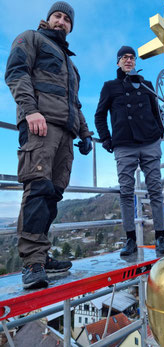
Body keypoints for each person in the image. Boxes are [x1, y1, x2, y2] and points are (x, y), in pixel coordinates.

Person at [5, 1, 93, 289]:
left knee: (53, 195)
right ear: (48, 18)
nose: (61, 21)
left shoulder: (72, 65)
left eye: (67, 20)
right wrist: (30, 111)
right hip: (40, 126)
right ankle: (32, 263)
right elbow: (16, 73)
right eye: (57, 16)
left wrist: (86, 134)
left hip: (66, 135)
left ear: (71, 26)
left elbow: (75, 104)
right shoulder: (30, 38)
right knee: (37, 189)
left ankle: (42, 256)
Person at [94, 46, 164, 256]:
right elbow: (99, 116)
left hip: (150, 142)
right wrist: (106, 139)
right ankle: (130, 240)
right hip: (124, 145)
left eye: (131, 57)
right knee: (126, 191)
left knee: (155, 189)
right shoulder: (109, 87)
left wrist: (161, 135)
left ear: (135, 62)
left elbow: (157, 112)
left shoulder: (145, 85)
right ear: (118, 62)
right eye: (124, 58)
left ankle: (160, 238)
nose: (128, 60)